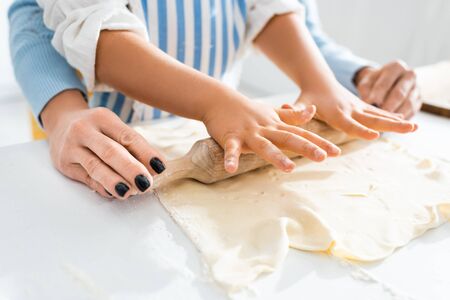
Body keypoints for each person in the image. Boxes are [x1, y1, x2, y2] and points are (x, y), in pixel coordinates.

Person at [8, 0, 418, 200]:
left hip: (218, 131)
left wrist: (352, 79)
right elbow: (58, 18)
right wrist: (61, 111)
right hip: (92, 137)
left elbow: (283, 15)